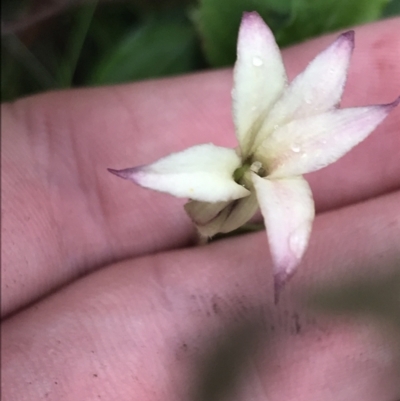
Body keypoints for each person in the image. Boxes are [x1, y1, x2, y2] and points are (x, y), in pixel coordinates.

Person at [2, 18, 399, 401]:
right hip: (231, 176)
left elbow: (287, 225)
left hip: (244, 180)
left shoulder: (268, 183)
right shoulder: (242, 177)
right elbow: (256, 50)